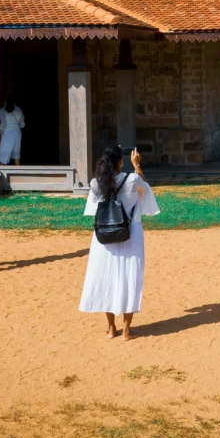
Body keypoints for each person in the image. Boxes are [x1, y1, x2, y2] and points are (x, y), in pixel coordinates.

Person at [80, 144, 160, 340]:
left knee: (106, 277)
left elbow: (92, 210)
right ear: (120, 162)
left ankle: (110, 328)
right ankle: (126, 330)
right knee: (129, 278)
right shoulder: (132, 179)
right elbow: (145, 187)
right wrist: (137, 165)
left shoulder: (96, 183)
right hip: (130, 233)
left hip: (104, 237)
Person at [0, 96, 25, 166]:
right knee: (16, 151)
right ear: (15, 103)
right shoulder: (19, 111)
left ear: (5, 103)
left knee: (4, 152)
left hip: (7, 133)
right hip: (17, 132)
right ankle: (18, 170)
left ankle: (2, 170)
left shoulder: (2, 112)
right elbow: (22, 125)